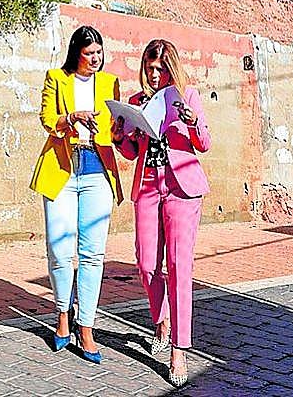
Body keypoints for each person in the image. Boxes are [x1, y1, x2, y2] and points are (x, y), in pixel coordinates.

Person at [113, 38, 211, 387]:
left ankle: (179, 350)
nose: (153, 74)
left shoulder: (188, 96)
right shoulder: (138, 102)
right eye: (149, 68)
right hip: (149, 185)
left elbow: (204, 143)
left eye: (160, 68)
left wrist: (192, 120)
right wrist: (119, 136)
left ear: (171, 68)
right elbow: (131, 151)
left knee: (179, 268)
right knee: (146, 264)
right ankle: (161, 322)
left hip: (182, 187)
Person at [29, 25, 124, 364]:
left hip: (97, 166)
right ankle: (61, 315)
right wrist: (69, 118)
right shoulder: (56, 77)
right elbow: (46, 118)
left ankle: (86, 326)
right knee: (58, 248)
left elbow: (116, 129)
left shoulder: (110, 83)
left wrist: (118, 128)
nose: (95, 59)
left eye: (98, 52)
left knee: (93, 253)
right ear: (76, 53)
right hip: (62, 167)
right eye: (88, 54)